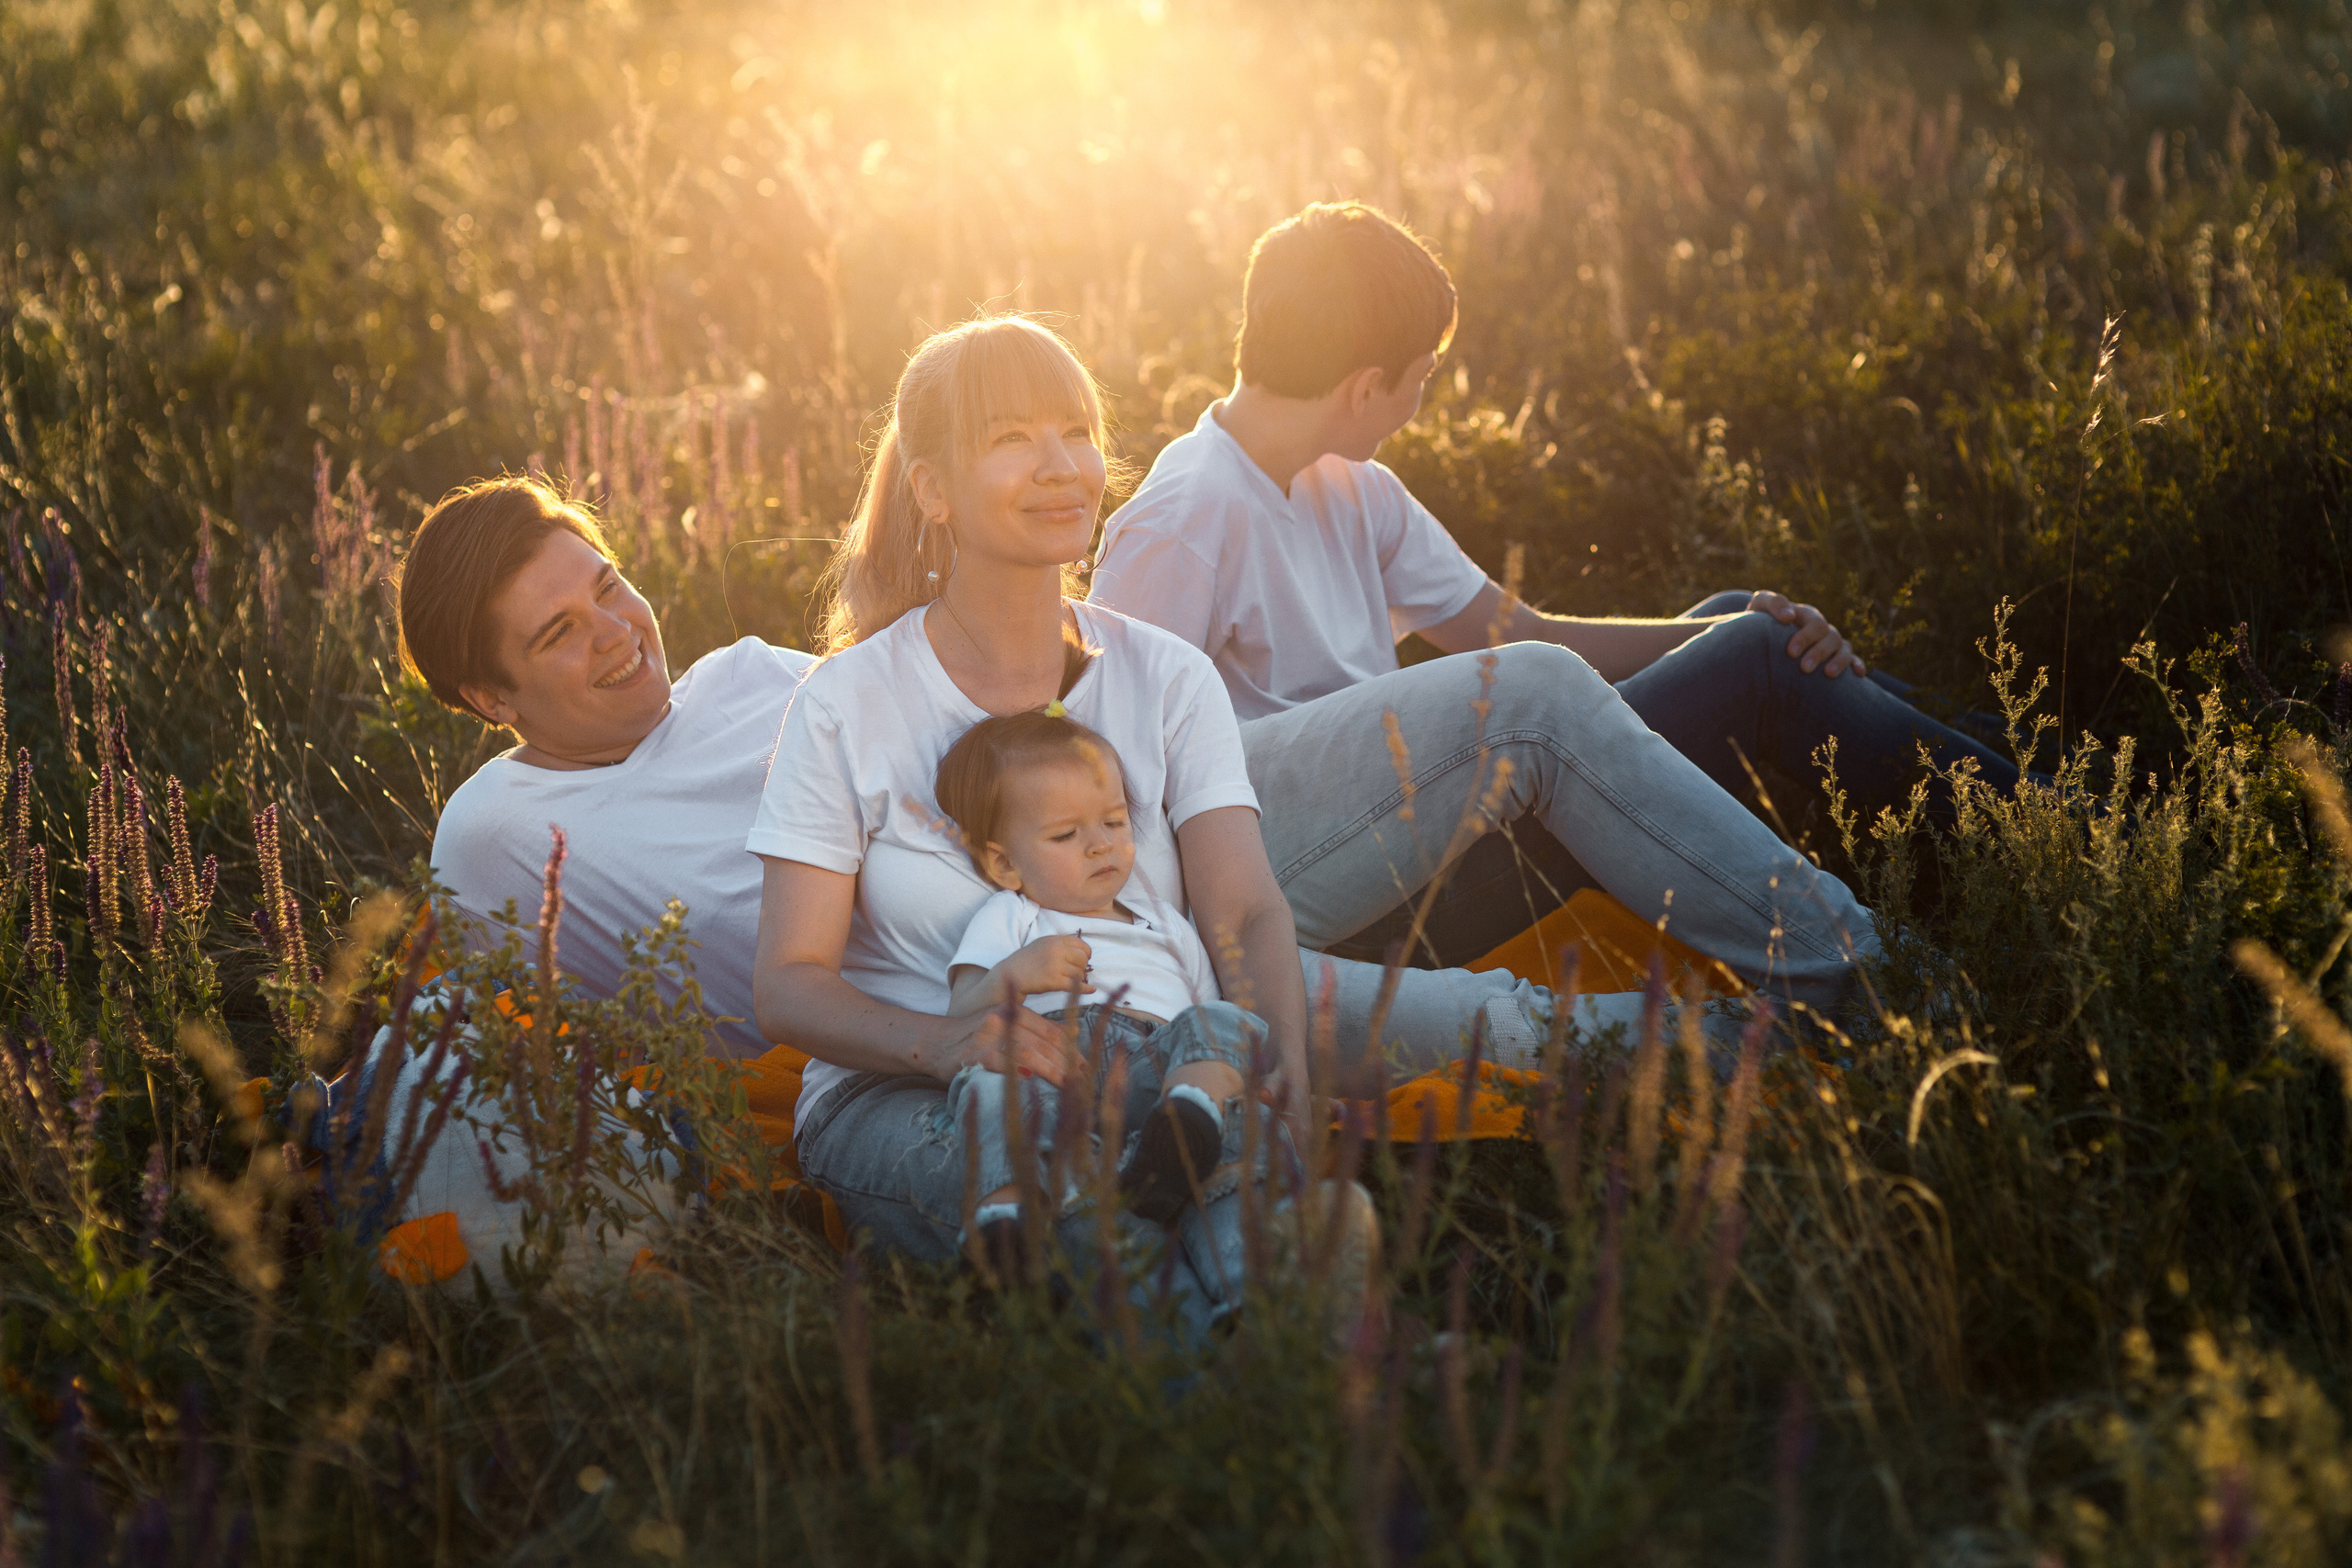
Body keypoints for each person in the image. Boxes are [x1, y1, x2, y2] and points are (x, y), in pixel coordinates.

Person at [1090, 201, 2018, 957]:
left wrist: (1745, 627)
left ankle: (2028, 790)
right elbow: (1115, 779)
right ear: (1366, 387)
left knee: (1738, 623)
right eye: (1421, 376)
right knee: (1757, 658)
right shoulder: (1183, 522)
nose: (1421, 400)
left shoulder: (1349, 484)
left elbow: (1520, 634)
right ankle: (2033, 832)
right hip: (1367, 902)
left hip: (1436, 822)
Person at [401, 477, 814, 1059]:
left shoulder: (754, 673)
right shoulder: (499, 828)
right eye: (561, 632)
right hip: (878, 1072)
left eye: (609, 587)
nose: (618, 631)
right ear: (492, 699)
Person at [935, 711, 1253, 1242]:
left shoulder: (1166, 924)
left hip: (1157, 1064)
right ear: (1005, 865)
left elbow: (1207, 1021)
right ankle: (1006, 1216)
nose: (1100, 844)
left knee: (1231, 1022)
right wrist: (1015, 974)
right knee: (992, 1087)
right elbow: (960, 1014)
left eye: (1114, 821)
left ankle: (1184, 1127)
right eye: (1066, 834)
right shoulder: (1013, 916)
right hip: (1055, 1062)